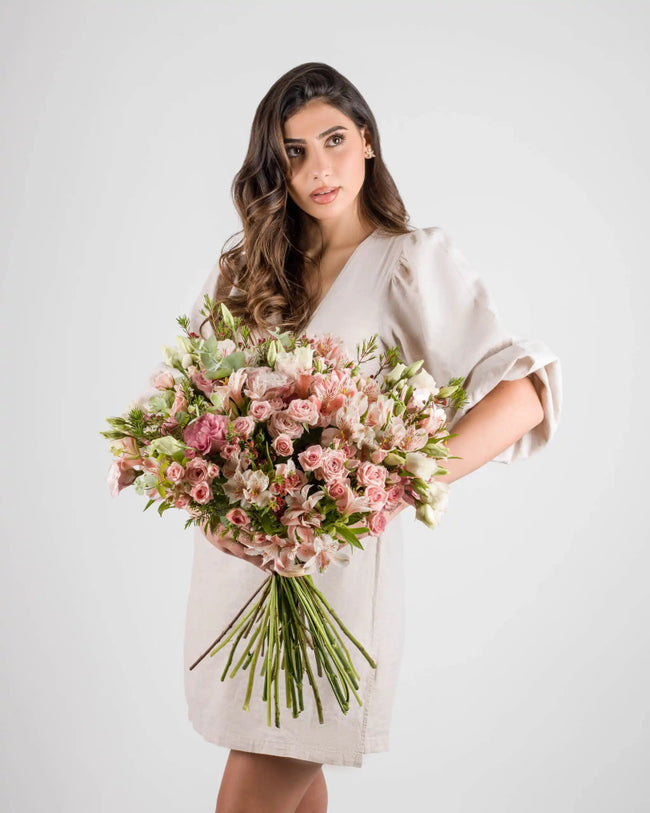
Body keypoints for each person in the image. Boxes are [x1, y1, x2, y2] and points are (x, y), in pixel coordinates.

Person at [134, 62, 562, 813]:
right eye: (294, 153)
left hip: (332, 586)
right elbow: (179, 408)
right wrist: (211, 498)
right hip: (235, 581)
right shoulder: (243, 272)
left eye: (334, 140)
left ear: (367, 140)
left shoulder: (409, 261)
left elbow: (522, 394)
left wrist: (395, 480)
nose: (318, 169)